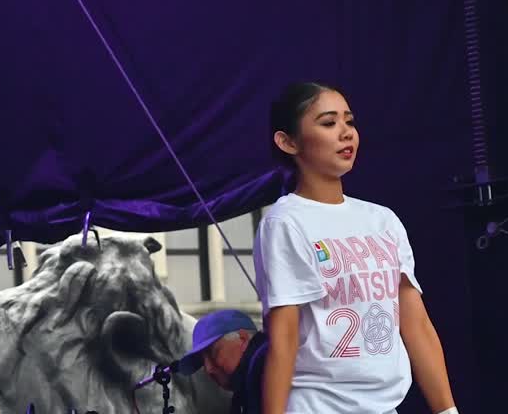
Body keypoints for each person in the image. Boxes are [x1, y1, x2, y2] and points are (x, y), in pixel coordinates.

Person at [253, 82, 457, 414]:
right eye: (328, 123)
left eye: (349, 121)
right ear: (288, 142)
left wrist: (448, 411)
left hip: (384, 407)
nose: (346, 132)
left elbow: (415, 323)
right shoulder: (286, 223)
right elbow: (284, 337)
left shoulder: (382, 220)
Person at [177, 309, 269, 414]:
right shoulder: (243, 388)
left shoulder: (264, 363)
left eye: (213, 353)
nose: (208, 369)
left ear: (243, 339)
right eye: (202, 362)